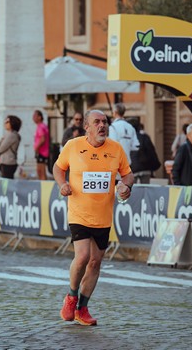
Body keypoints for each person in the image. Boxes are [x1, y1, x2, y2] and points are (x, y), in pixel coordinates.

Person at [53, 109, 134, 326]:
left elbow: (127, 173)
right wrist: (63, 184)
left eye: (105, 122)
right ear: (87, 127)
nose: (102, 125)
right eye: (96, 122)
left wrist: (125, 185)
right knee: (82, 257)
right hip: (79, 212)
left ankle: (83, 308)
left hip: (103, 215)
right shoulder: (73, 146)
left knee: (96, 262)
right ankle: (71, 297)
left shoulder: (116, 149)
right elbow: (58, 168)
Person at [0, 115, 22, 179]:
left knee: (6, 181)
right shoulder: (9, 134)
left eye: (8, 122)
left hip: (8, 162)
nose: (5, 123)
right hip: (5, 161)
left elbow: (0, 148)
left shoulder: (11, 135)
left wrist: (1, 141)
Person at [33, 109, 49, 180]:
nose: (33, 118)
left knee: (41, 171)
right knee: (39, 171)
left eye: (35, 116)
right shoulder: (41, 126)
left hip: (42, 152)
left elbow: (42, 139)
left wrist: (37, 148)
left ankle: (44, 187)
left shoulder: (41, 126)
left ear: (39, 117)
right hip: (41, 152)